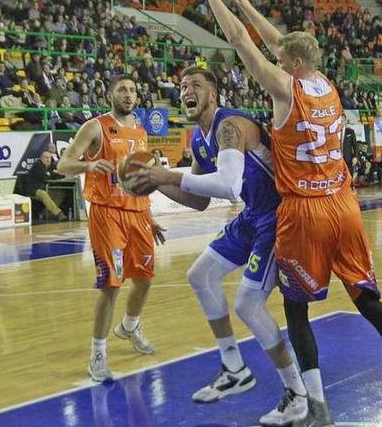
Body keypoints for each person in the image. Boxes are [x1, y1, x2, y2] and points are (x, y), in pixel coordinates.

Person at [203, 0, 382, 425]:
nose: (275, 60)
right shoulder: (325, 82)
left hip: (306, 213)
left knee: (295, 312)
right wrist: (244, 0)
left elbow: (242, 43)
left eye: (281, 61)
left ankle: (318, 407)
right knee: (368, 300)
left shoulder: (287, 90)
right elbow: (282, 41)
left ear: (293, 66)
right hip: (345, 204)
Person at [128, 67, 307, 423]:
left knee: (248, 304)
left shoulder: (230, 125)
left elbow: (226, 185)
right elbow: (198, 200)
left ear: (214, 94)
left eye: (196, 85)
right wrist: (153, 182)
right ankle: (234, 368)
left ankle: (297, 393)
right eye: (181, 87)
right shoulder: (198, 139)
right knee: (201, 275)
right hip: (252, 214)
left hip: (279, 216)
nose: (187, 91)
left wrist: (166, 174)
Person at [56, 76, 167, 382]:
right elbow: (63, 165)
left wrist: (149, 215)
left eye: (133, 89)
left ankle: (129, 326)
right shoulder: (95, 126)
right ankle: (98, 353)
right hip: (106, 214)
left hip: (137, 214)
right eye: (122, 89)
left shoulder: (142, 132)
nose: (129, 94)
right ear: (110, 93)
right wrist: (88, 166)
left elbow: (138, 179)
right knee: (111, 285)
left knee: (144, 279)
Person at [23, 150, 67, 221]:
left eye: (49, 158)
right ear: (41, 158)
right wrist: (52, 174)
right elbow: (45, 177)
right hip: (34, 190)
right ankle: (59, 213)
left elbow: (53, 175)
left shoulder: (48, 167)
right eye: (46, 157)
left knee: (60, 193)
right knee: (43, 194)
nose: (48, 160)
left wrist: (62, 175)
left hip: (43, 188)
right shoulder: (38, 165)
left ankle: (43, 214)